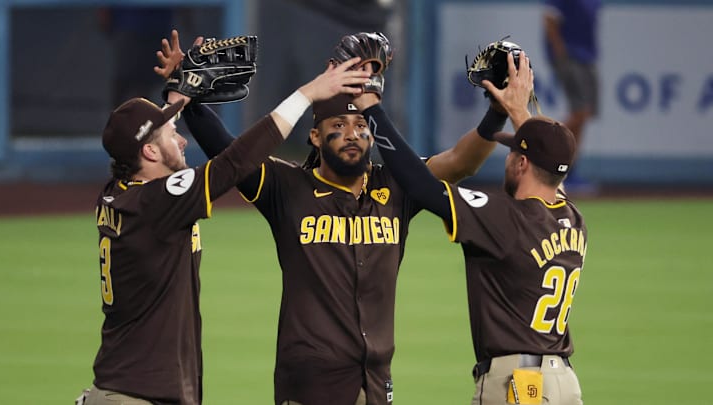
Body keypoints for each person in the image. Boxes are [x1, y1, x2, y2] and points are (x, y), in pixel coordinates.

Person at [154, 31, 510, 405]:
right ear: (315, 136)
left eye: (360, 127)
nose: (352, 135)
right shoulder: (286, 187)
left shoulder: (399, 186)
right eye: (337, 127)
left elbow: (459, 162)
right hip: (310, 385)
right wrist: (189, 97)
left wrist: (496, 113)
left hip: (374, 381)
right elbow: (230, 157)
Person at [78, 55, 371, 405]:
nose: (183, 141)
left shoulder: (116, 193)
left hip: (119, 387)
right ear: (151, 151)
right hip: (137, 395)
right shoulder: (160, 203)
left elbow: (148, 145)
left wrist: (179, 94)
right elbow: (235, 162)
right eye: (173, 134)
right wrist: (306, 94)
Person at [350, 52, 587, 404]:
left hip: (520, 387)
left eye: (511, 154)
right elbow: (548, 164)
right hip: (564, 383)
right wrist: (514, 108)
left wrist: (371, 108)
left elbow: (419, 183)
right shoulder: (572, 218)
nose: (506, 158)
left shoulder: (503, 218)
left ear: (521, 163)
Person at [543, 0, 601, 192]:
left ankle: (568, 172)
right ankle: (542, 151)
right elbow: (550, 20)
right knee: (579, 113)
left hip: (588, 57)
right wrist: (561, 54)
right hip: (570, 56)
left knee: (583, 115)